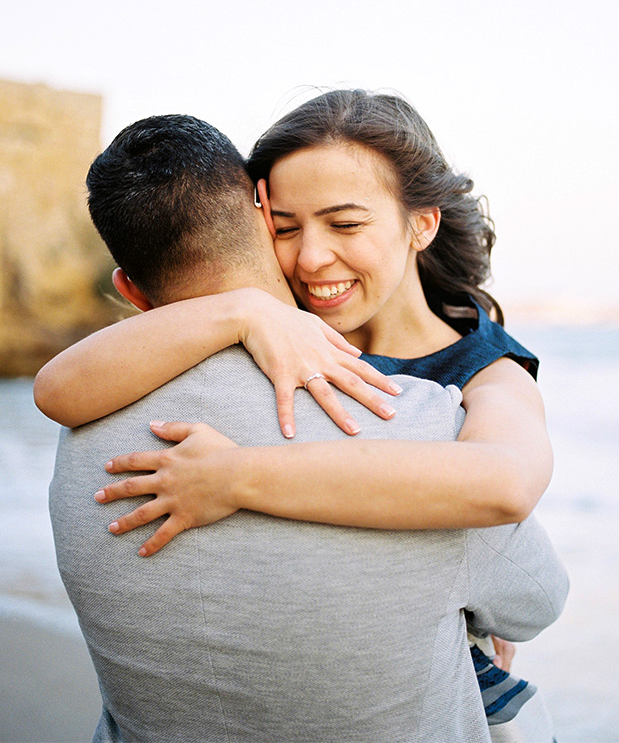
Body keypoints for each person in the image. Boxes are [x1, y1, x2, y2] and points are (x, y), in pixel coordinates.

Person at [35, 93, 556, 738]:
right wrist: (245, 311)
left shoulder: (486, 374)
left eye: (345, 224)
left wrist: (237, 477)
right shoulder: (276, 324)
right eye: (285, 228)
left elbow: (504, 486)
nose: (310, 259)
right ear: (255, 221)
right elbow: (59, 387)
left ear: (422, 225)